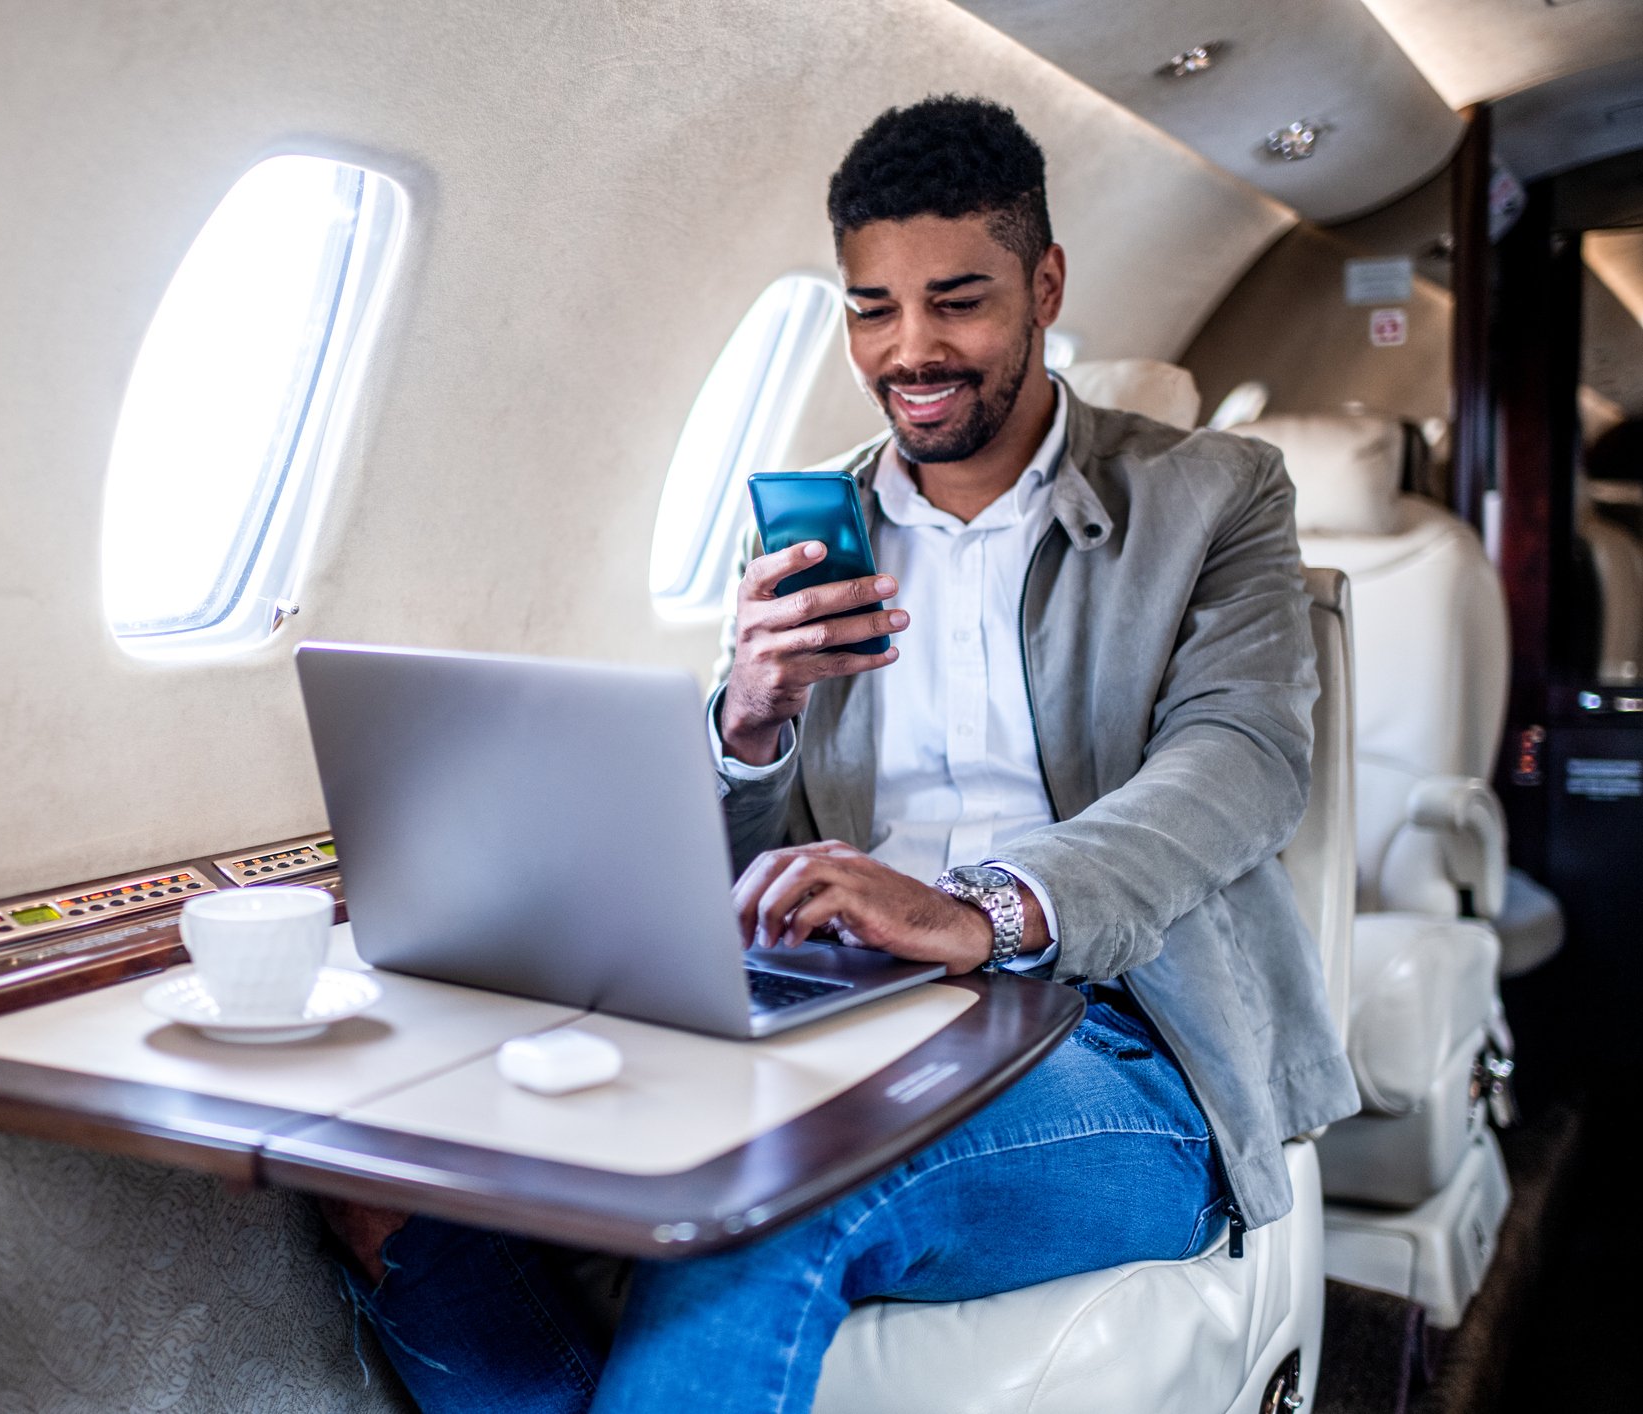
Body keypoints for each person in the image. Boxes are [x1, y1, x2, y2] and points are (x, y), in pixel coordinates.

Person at [324, 94, 1358, 1413]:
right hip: (840, 1011)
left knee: (782, 1189)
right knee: (403, 1184)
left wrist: (981, 906)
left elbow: (1244, 758)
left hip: (1123, 1041)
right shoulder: (808, 525)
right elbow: (728, 870)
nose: (909, 348)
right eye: (871, 308)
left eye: (956, 300)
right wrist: (743, 718)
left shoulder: (1215, 493)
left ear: (1045, 285)